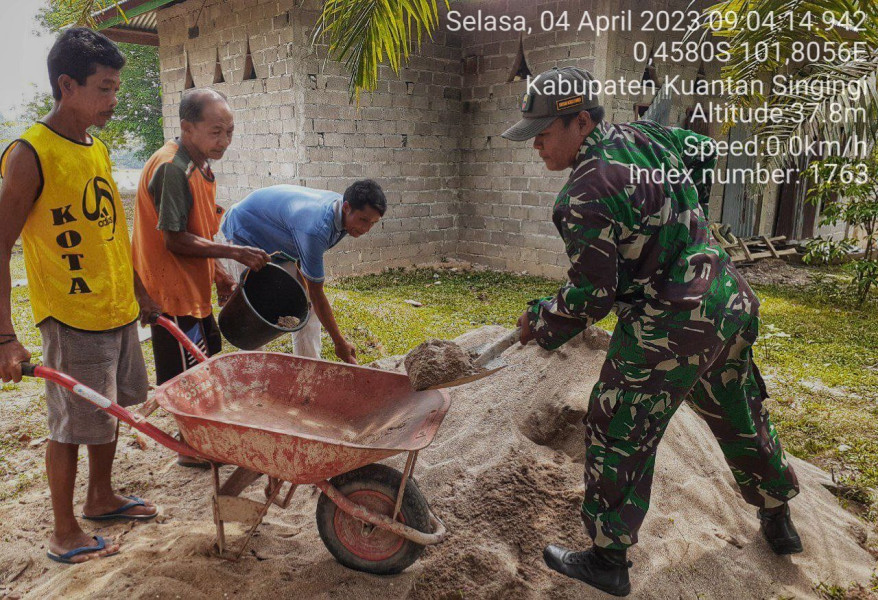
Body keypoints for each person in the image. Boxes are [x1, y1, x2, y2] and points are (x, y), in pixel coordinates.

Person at [502, 66, 801, 597]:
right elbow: (700, 149)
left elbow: (592, 297)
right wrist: (688, 218)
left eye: (544, 132)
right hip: (726, 300)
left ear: (582, 121)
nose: (537, 145)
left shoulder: (582, 197)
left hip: (670, 324)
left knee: (618, 425)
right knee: (737, 410)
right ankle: (777, 515)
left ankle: (607, 558)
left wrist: (541, 320)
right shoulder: (644, 135)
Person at [0, 28, 159, 565]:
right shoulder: (29, 152)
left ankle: (102, 497)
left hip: (116, 310)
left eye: (117, 89)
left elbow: (110, 228)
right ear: (67, 85)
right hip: (70, 316)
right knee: (69, 425)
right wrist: (5, 337)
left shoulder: (97, 145)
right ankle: (64, 530)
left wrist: (140, 292)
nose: (114, 101)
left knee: (106, 411)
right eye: (105, 89)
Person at [131, 88, 269, 466]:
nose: (224, 140)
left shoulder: (199, 165)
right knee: (185, 376)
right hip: (170, 294)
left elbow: (200, 230)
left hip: (192, 290)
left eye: (230, 131)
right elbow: (175, 240)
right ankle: (192, 448)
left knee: (207, 362)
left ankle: (204, 438)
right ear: (187, 127)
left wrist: (220, 274)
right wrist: (235, 253)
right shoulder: (173, 169)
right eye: (215, 132)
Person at [220, 181, 386, 363]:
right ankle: (254, 375)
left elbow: (302, 249)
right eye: (363, 220)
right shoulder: (317, 228)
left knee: (307, 307)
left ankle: (309, 366)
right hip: (244, 234)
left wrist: (303, 283)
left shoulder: (344, 217)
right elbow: (317, 291)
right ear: (347, 207)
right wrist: (340, 343)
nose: (366, 229)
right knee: (253, 314)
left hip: (278, 245)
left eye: (373, 223)